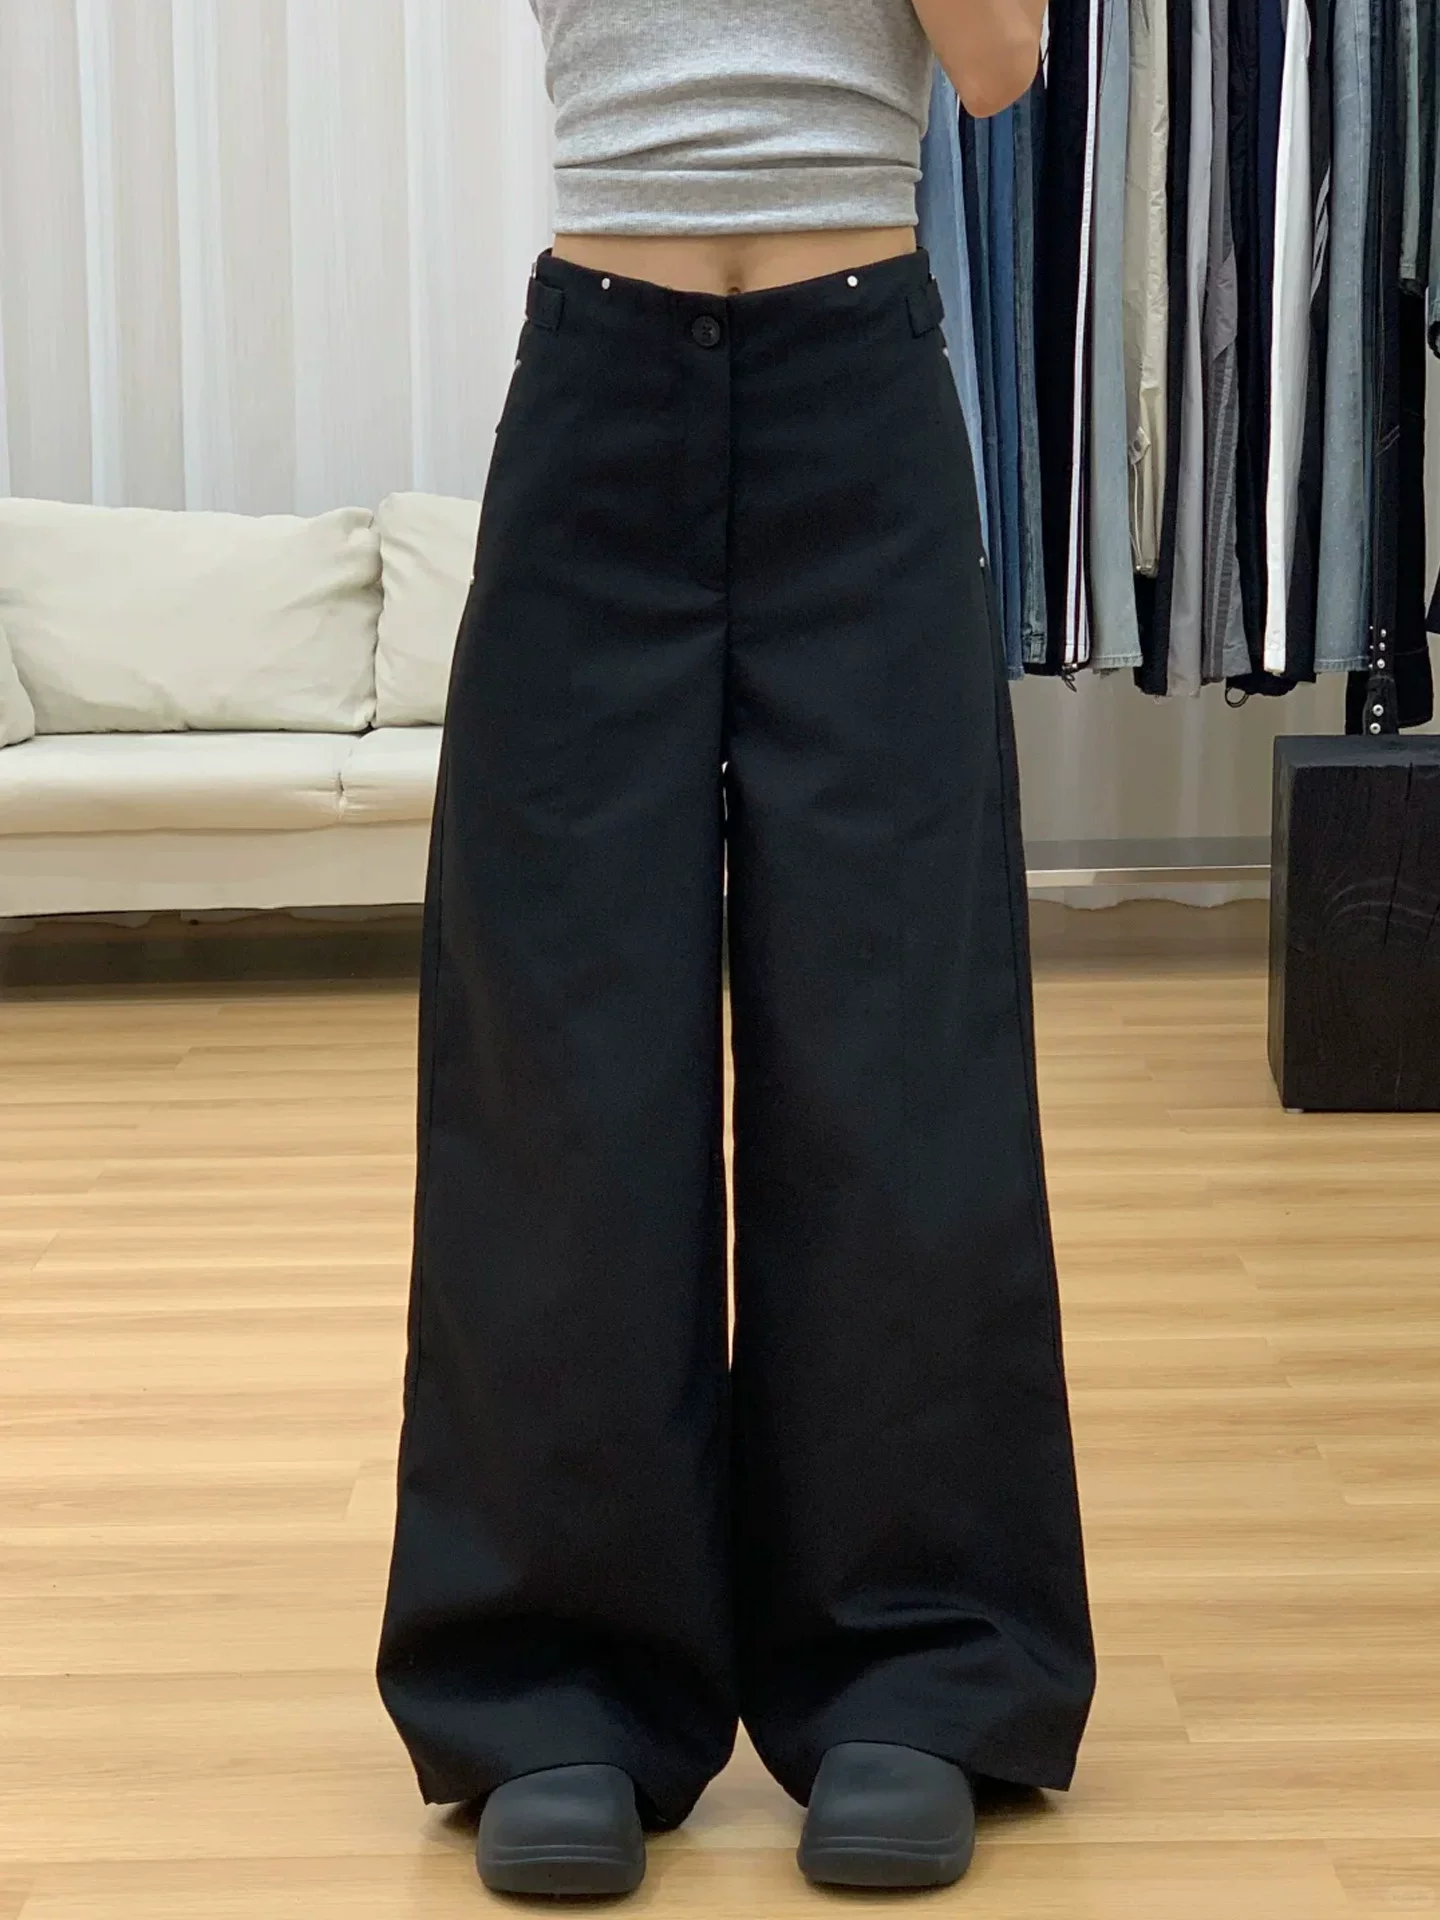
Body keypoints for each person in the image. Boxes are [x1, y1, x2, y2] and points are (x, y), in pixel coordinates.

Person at [376, 0, 1094, 1898]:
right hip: (600, 379)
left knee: (895, 1046)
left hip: (860, 382)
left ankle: (919, 1670)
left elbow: (1001, 63)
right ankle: (553, 1683)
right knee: (563, 1055)